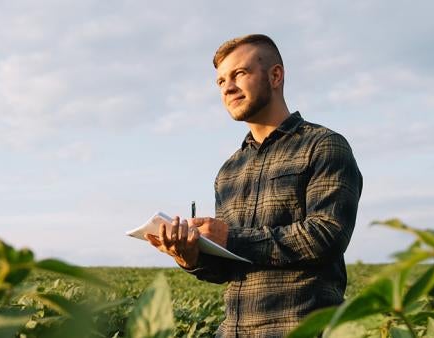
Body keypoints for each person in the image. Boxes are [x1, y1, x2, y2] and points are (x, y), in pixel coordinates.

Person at [147, 33, 363, 337]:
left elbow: (327, 235)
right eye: (221, 81)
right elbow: (230, 267)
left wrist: (229, 236)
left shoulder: (324, 146)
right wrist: (192, 257)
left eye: (239, 74)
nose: (228, 88)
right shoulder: (229, 170)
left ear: (275, 76)